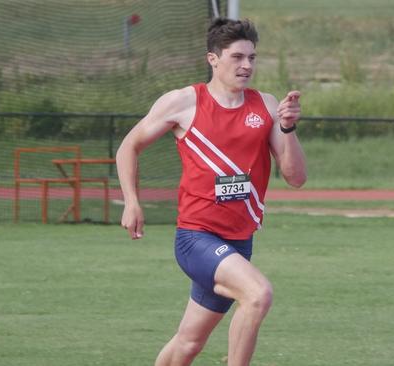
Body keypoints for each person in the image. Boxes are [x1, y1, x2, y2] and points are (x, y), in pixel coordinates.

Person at [116, 17, 307, 366]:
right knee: (258, 294)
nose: (247, 65)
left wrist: (288, 127)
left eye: (252, 57)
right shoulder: (184, 102)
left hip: (239, 242)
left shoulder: (265, 105)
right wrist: (131, 202)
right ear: (213, 59)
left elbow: (295, 177)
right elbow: (128, 146)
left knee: (188, 343)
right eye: (237, 57)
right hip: (196, 238)